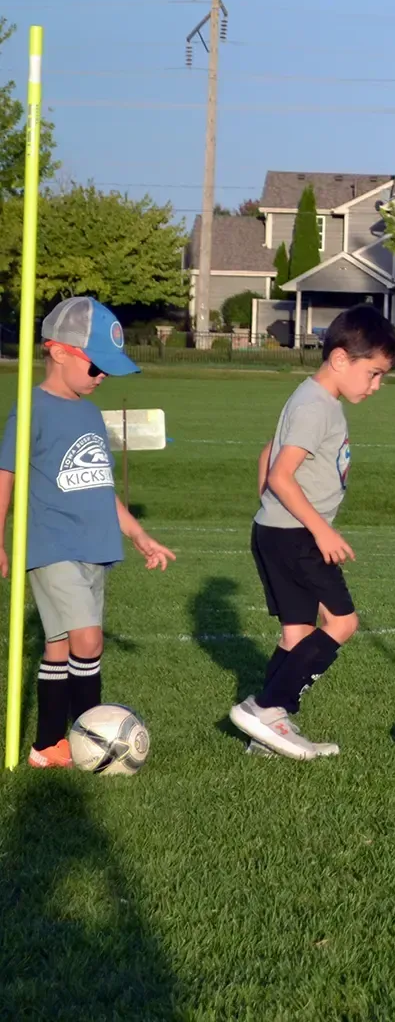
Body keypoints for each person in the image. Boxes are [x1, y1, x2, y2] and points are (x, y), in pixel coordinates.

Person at [0, 298, 175, 768]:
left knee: (59, 646)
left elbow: (101, 488)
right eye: (96, 366)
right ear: (57, 351)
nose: (102, 378)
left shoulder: (90, 415)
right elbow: (5, 474)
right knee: (89, 639)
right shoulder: (32, 408)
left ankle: (47, 746)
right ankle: (90, 741)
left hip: (95, 548)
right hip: (52, 546)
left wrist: (139, 535)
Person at [229, 304, 395, 759]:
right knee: (342, 623)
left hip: (278, 530)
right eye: (375, 373)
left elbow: (267, 454)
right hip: (298, 537)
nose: (376, 385)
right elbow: (282, 474)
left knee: (296, 634)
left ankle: (266, 738)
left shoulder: (309, 397)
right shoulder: (316, 406)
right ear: (342, 359)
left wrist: (269, 510)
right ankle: (266, 708)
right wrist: (319, 530)